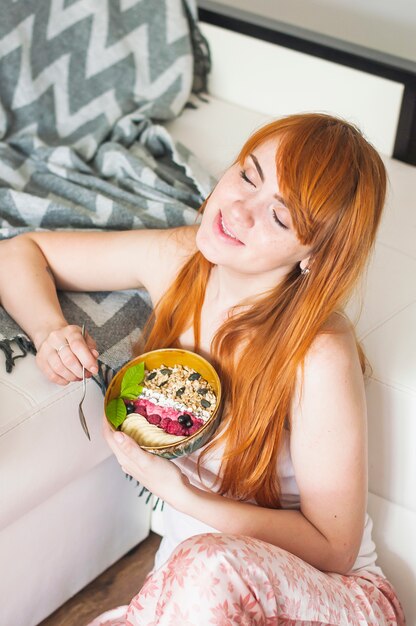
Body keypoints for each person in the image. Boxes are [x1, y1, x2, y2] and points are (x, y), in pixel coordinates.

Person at [0, 113, 406, 625]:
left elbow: (335, 548)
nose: (239, 210)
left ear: (315, 258)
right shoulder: (178, 261)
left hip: (330, 599)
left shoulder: (317, 351)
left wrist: (177, 492)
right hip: (202, 598)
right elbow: (19, 253)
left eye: (279, 217)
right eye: (247, 175)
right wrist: (48, 330)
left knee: (206, 565)